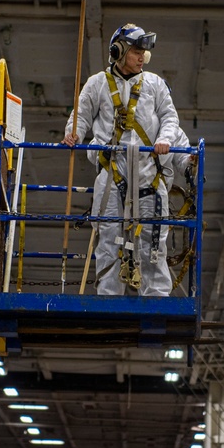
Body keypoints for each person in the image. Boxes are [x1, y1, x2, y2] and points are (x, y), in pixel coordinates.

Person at [63, 23, 181, 296]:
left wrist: (165, 139)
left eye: (144, 53)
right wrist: (74, 133)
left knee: (152, 241)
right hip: (112, 174)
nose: (142, 57)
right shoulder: (97, 84)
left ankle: (155, 301)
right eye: (137, 51)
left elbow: (170, 118)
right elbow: (80, 115)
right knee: (109, 238)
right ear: (119, 52)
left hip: (149, 173)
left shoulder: (155, 84)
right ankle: (108, 298)